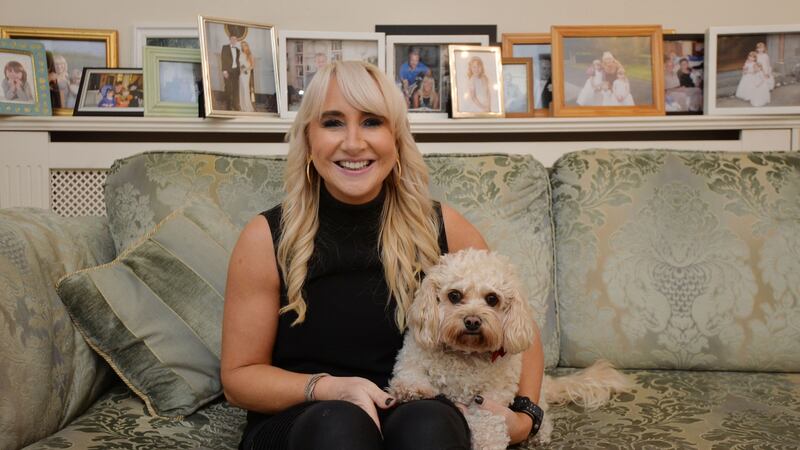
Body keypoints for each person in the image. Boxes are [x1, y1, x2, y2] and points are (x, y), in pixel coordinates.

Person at [221, 60, 545, 450]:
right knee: (340, 427)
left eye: (372, 122)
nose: (354, 142)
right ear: (308, 139)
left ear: (396, 138)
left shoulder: (442, 225)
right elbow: (239, 379)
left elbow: (515, 322)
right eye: (333, 122)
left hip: (413, 407)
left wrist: (526, 416)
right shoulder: (266, 237)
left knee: (430, 425)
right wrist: (330, 389)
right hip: (305, 416)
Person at [221, 34, 241, 110]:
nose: (234, 40)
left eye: (235, 39)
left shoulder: (238, 50)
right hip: (228, 71)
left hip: (236, 72)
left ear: (236, 41)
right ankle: (228, 106)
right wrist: (224, 71)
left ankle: (235, 105)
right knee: (228, 89)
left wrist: (240, 70)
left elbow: (238, 61)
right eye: (232, 39)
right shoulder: (225, 47)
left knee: (236, 89)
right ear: (229, 39)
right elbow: (223, 59)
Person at [238, 40, 256, 112]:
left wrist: (246, 69)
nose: (243, 47)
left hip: (246, 73)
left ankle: (247, 106)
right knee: (241, 89)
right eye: (242, 45)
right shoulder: (240, 54)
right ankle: (242, 106)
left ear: (247, 46)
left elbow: (252, 66)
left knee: (245, 89)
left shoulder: (250, 55)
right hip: (241, 73)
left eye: (245, 45)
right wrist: (241, 69)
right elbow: (239, 63)